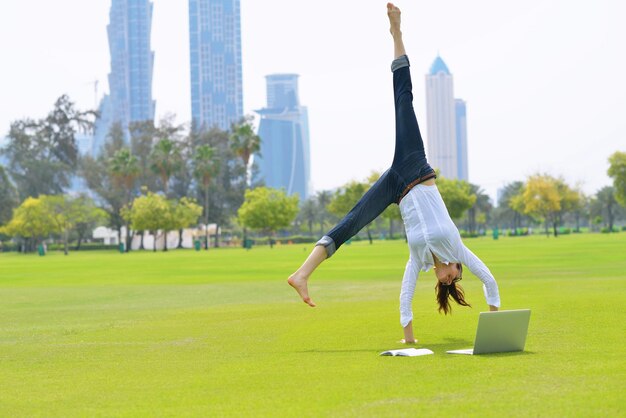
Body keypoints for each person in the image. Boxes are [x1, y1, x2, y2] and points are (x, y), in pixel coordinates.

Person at [288, 3, 500, 344]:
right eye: (454, 276)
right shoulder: (456, 248)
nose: (449, 278)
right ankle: (396, 33)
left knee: (352, 221)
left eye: (447, 281)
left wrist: (409, 338)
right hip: (415, 166)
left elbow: (405, 294)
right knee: (404, 100)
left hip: (397, 189)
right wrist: (496, 326)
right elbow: (488, 278)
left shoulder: (418, 260)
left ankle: (300, 274)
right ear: (456, 267)